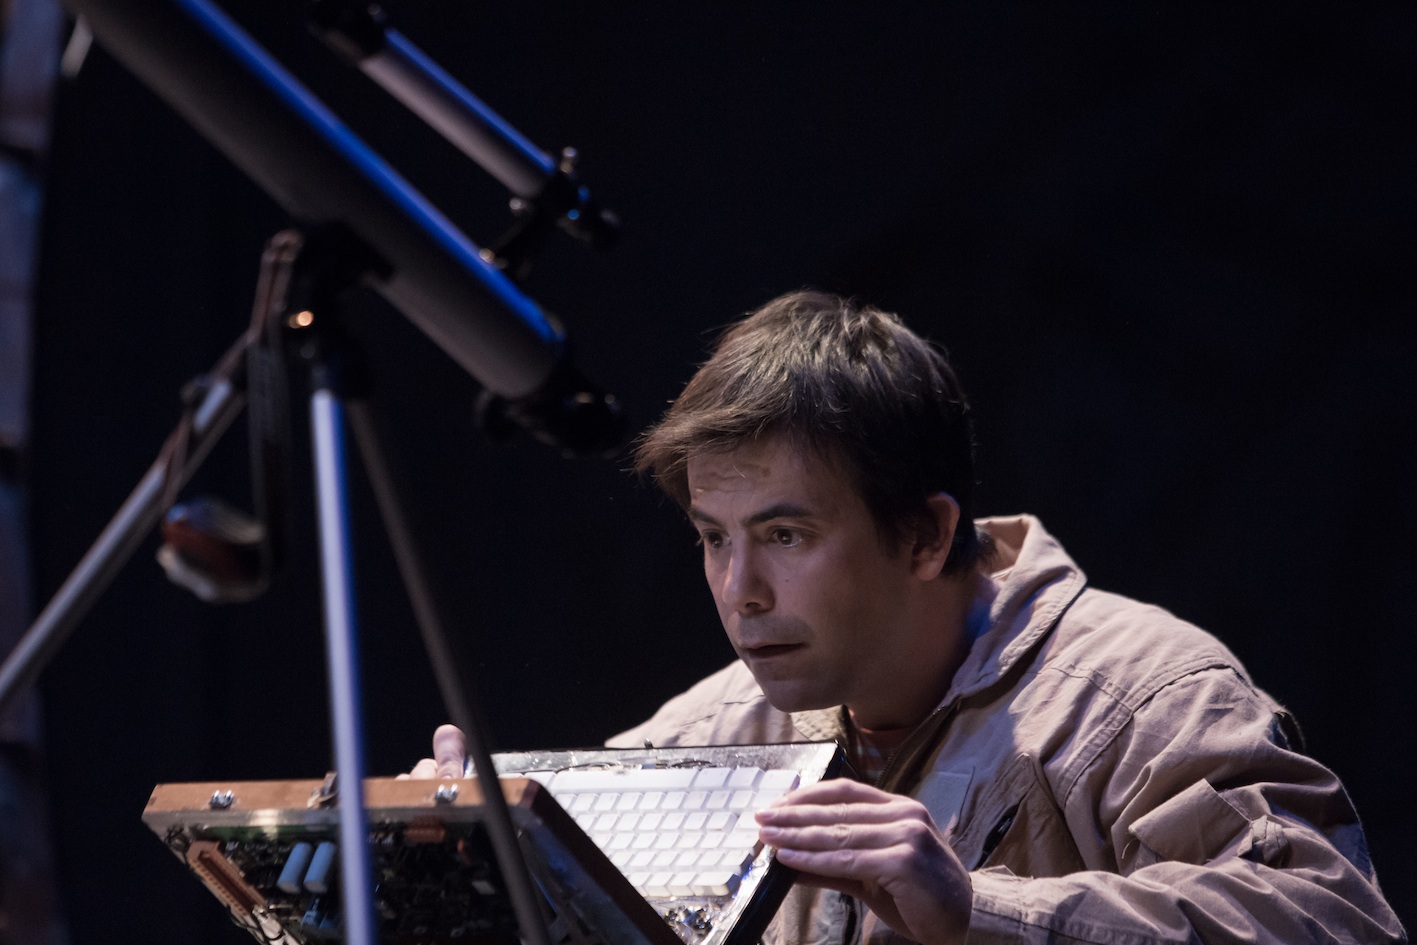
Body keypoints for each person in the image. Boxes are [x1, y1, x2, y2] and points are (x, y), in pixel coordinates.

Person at [414, 291, 1403, 944]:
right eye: (713, 537)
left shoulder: (1138, 695)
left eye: (785, 534)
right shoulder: (713, 734)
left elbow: (1336, 920)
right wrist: (468, 858)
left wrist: (977, 910)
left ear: (925, 534)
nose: (738, 589)